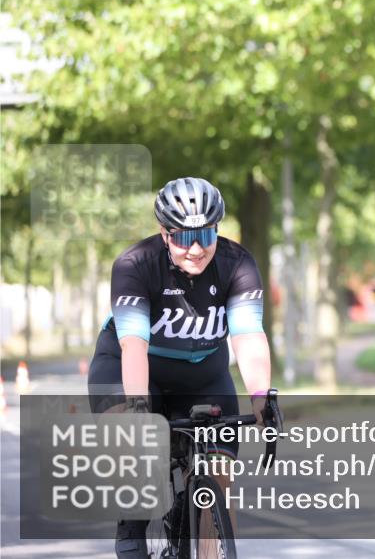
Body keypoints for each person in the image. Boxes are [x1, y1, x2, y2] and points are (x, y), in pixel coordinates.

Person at [87, 177, 272, 558]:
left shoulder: (237, 264)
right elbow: (133, 345)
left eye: (206, 234)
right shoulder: (135, 265)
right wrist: (139, 410)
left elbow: (249, 336)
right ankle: (132, 527)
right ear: (163, 232)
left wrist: (261, 397)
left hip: (203, 374)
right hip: (132, 367)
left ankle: (205, 540)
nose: (196, 248)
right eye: (183, 237)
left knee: (219, 477)